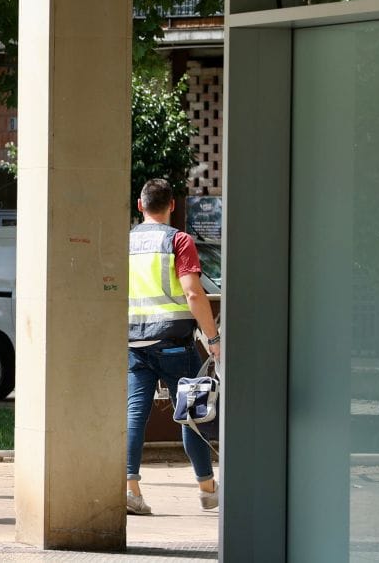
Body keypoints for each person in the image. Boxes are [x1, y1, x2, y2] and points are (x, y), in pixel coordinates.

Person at [126, 178, 222, 515]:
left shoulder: (125, 242)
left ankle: (131, 490)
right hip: (173, 343)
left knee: (135, 414)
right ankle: (207, 490)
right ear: (172, 206)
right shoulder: (178, 240)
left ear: (140, 205)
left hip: (135, 342)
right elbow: (193, 293)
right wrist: (213, 340)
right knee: (191, 414)